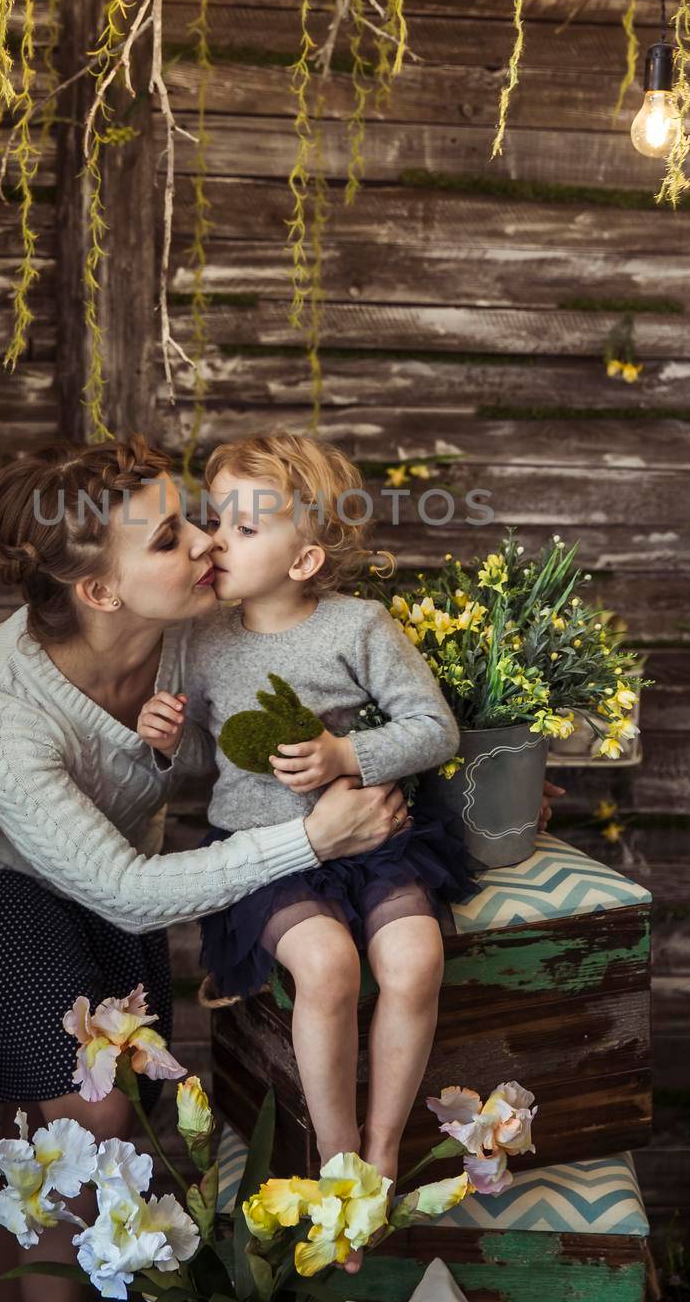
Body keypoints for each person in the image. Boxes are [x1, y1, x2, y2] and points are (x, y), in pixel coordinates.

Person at [0, 435, 411, 1302]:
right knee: (91, 1120)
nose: (206, 543)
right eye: (168, 539)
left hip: (114, 872)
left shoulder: (194, 623)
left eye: (191, 521)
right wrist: (313, 840)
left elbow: (338, 667)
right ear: (98, 590)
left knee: (40, 1137)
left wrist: (455, 771)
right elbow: (123, 891)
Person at [137, 431, 478, 1274]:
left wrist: (344, 757)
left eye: (244, 529)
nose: (215, 541)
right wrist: (156, 739)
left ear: (303, 559)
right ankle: (334, 1162)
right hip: (262, 854)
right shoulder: (200, 640)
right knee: (325, 966)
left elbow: (435, 730)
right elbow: (186, 766)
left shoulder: (358, 627)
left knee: (413, 954)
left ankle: (384, 1146)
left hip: (376, 843)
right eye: (214, 519)